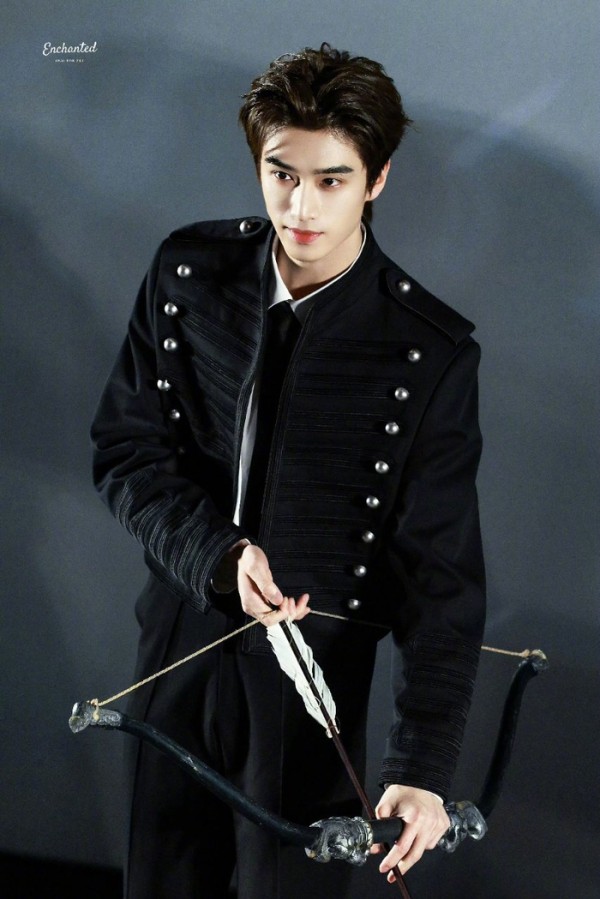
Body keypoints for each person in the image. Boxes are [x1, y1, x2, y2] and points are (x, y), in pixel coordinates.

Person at [91, 43, 486, 899]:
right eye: (282, 174)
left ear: (377, 178)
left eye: (331, 180)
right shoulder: (187, 271)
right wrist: (216, 554)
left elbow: (443, 579)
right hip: (180, 639)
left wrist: (422, 766)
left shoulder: (429, 350)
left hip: (317, 677)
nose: (300, 207)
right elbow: (127, 450)